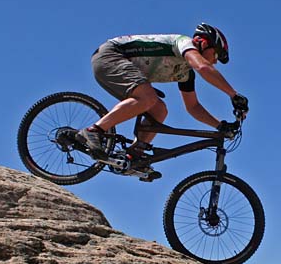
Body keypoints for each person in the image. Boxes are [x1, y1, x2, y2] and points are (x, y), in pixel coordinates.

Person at [76, 23, 248, 174]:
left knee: (159, 110)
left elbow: (193, 107)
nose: (215, 62)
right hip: (111, 56)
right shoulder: (183, 42)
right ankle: (94, 131)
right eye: (216, 54)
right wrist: (233, 95)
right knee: (147, 97)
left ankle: (133, 156)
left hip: (121, 67)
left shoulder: (185, 73)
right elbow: (203, 67)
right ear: (203, 43)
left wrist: (220, 126)